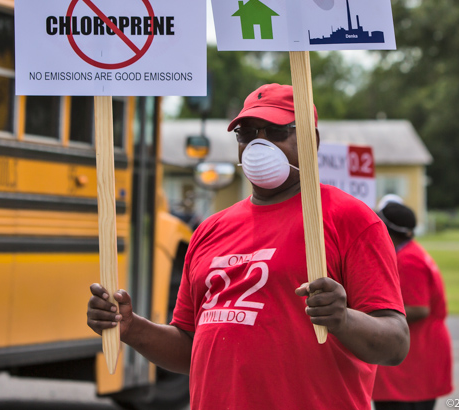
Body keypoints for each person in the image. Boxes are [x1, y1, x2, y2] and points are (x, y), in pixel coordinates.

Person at [87, 83, 410, 410]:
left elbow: (395, 343)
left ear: (311, 141)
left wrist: (342, 319)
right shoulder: (209, 230)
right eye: (246, 133)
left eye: (275, 131)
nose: (258, 144)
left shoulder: (350, 219)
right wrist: (131, 328)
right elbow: (189, 347)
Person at [372, 195, 452, 410]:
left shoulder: (407, 260)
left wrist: (370, 317)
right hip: (419, 349)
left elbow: (419, 308)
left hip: (416, 354)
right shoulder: (410, 252)